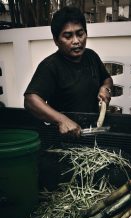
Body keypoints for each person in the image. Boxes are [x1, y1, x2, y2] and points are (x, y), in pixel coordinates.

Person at [24, 6, 113, 137]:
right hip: (66, 138)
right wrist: (62, 120)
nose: (76, 41)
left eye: (80, 34)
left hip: (92, 133)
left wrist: (106, 88)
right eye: (68, 36)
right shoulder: (50, 66)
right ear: (56, 40)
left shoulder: (91, 56)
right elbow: (30, 100)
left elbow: (107, 79)